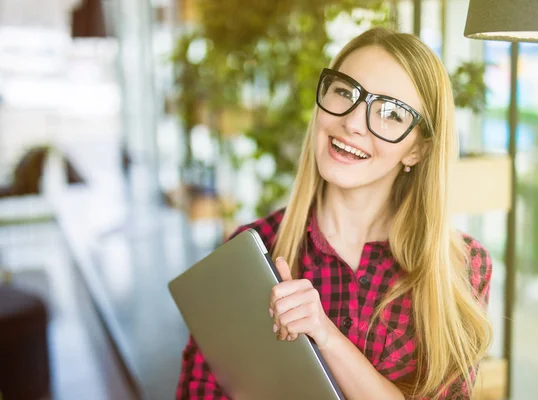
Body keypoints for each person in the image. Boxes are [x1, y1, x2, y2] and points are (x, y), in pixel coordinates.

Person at [176, 27, 492, 400]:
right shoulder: (248, 254)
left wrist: (323, 335)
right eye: (345, 92)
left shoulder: (460, 268)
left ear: (417, 151)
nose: (353, 123)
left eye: (390, 113)